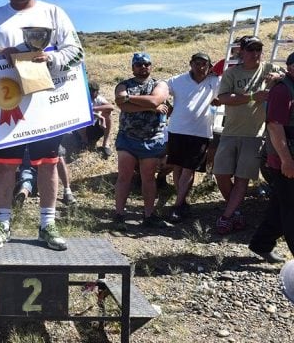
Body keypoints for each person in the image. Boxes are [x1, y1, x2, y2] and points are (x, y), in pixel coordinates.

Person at [0, 0, 84, 251]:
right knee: (6, 167)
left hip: (46, 105)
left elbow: (77, 52)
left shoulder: (54, 13)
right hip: (8, 104)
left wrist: (52, 58)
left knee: (48, 164)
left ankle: (47, 224)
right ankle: (2, 224)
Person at [213, 35, 284, 235]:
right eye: (251, 50)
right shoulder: (231, 74)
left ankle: (227, 216)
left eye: (258, 50)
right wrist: (253, 96)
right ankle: (234, 211)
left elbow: (289, 74)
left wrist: (278, 78)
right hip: (230, 132)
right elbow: (224, 98)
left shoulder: (269, 69)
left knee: (242, 177)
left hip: (255, 134)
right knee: (221, 173)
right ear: (241, 52)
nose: (255, 54)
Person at [113, 52, 170, 230]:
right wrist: (152, 107)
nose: (142, 67)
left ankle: (148, 215)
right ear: (133, 67)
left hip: (151, 139)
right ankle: (119, 214)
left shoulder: (160, 84)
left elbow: (155, 99)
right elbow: (122, 104)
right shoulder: (123, 85)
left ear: (151, 66)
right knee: (124, 176)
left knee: (148, 178)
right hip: (127, 138)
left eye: (146, 64)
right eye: (138, 64)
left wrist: (132, 100)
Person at [247, 51, 294, 264]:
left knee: (280, 204)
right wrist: (286, 160)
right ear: (290, 67)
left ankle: (261, 244)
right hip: (285, 161)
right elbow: (275, 127)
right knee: (291, 209)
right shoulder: (283, 91)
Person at [164, 53, 220, 222]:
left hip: (200, 132)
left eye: (204, 64)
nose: (201, 67)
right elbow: (161, 92)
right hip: (177, 130)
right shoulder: (177, 80)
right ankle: (183, 201)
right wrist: (169, 108)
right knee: (178, 167)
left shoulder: (215, 81)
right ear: (191, 64)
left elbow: (225, 93)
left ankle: (178, 204)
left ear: (209, 66)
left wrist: (219, 101)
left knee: (189, 168)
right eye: (197, 63)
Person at [80, 80, 115, 158]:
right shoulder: (81, 99)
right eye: (93, 91)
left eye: (96, 91)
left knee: (108, 113)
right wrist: (99, 116)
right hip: (82, 130)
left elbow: (111, 107)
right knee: (82, 116)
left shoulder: (98, 98)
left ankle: (105, 143)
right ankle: (84, 141)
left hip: (96, 127)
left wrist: (93, 108)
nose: (96, 93)